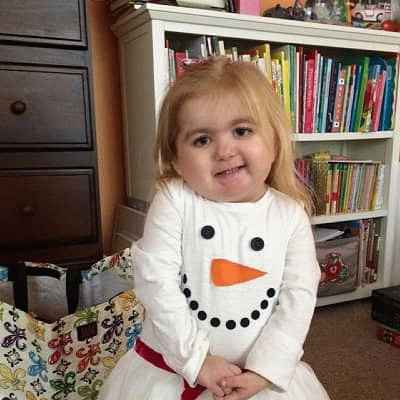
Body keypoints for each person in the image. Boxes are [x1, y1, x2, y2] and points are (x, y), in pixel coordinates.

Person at [99, 57, 330, 400]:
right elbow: (156, 282)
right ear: (176, 159)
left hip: (258, 377)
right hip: (172, 372)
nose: (224, 151)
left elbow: (298, 298)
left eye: (242, 131)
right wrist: (197, 360)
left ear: (274, 141)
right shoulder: (174, 200)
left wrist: (265, 371)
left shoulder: (290, 215)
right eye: (202, 140)